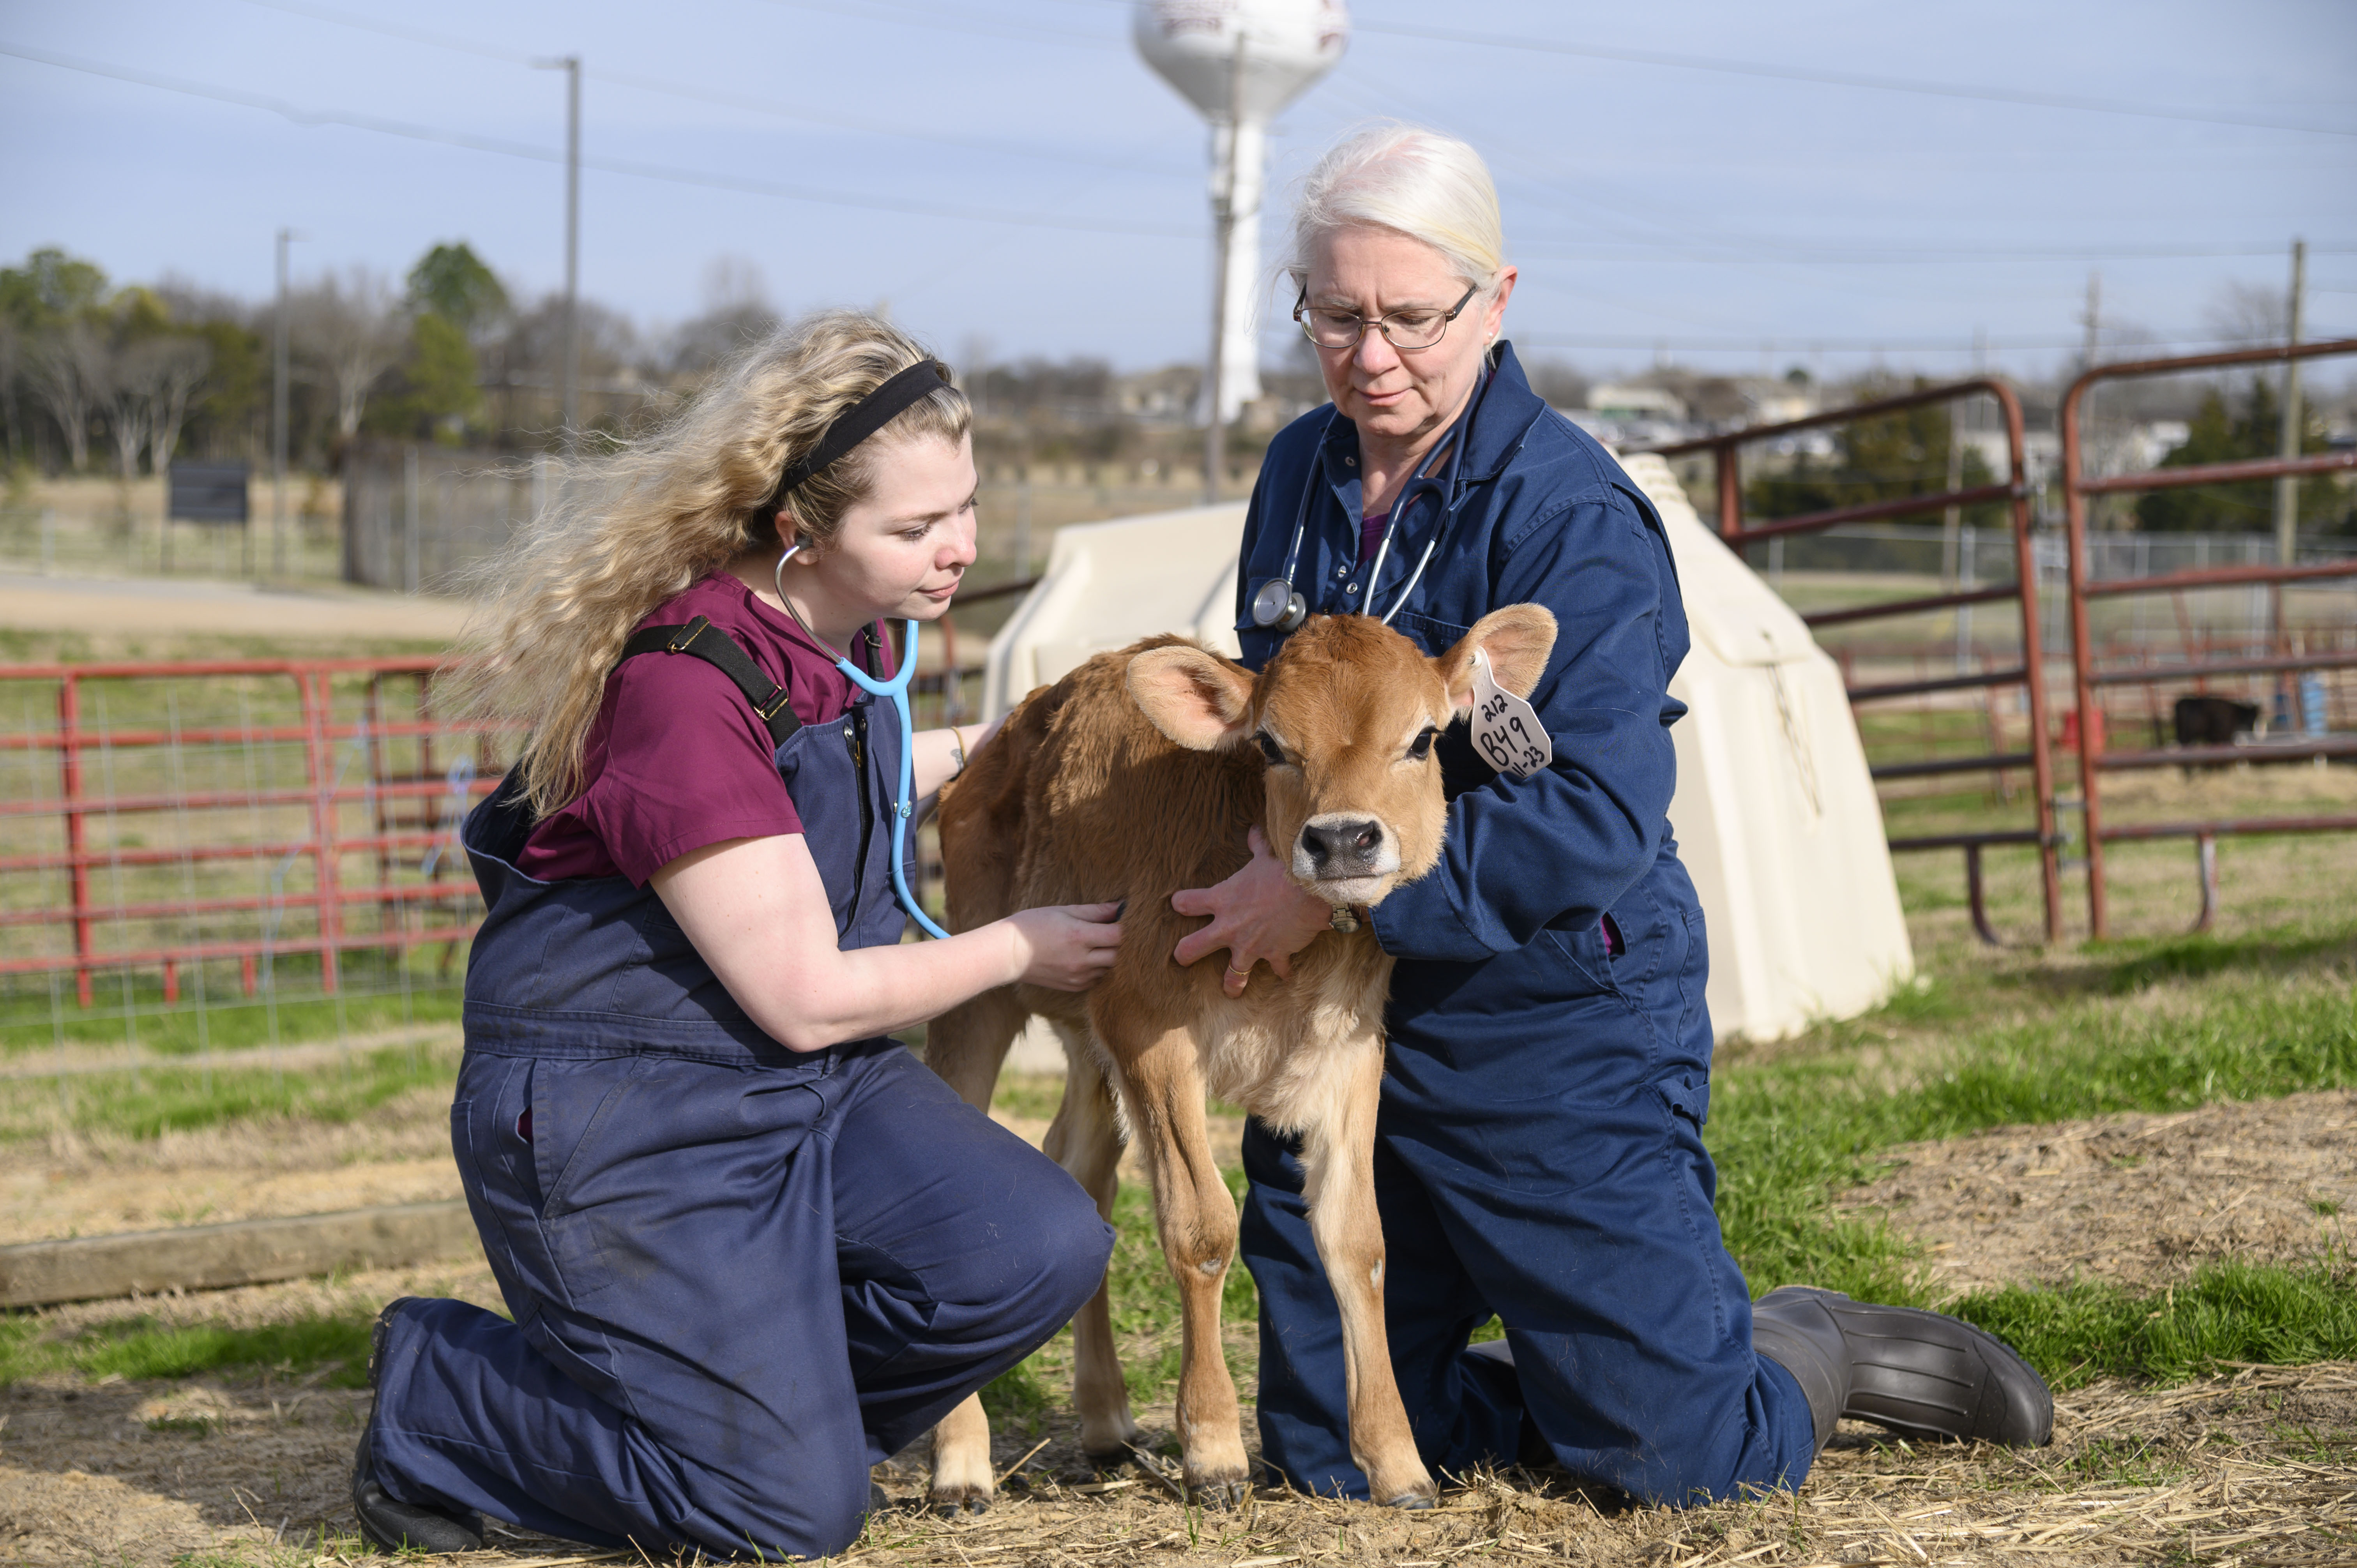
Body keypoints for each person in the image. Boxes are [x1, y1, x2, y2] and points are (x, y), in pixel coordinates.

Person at [1169, 125, 2052, 1507]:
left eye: (1412, 316)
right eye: (1336, 315)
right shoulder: (1298, 473)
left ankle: (1789, 1347)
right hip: (1344, 1012)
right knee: (1329, 1453)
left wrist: (1333, 894)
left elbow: (1590, 817)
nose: (1372, 354)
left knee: (1684, 1474)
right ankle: (1586, 1385)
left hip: (1550, 997)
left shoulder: (1570, 516)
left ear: (1497, 301)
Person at [351, 314, 1124, 1558]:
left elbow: (834, 776)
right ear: (798, 530)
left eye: (966, 509)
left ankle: (748, 1430)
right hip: (633, 1118)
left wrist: (1007, 745)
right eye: (917, 529)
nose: (958, 550)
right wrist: (1019, 946)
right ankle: (442, 1395)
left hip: (801, 1088)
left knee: (1034, 1249)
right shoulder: (683, 687)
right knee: (787, 1518)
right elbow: (809, 994)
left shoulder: (852, 630)